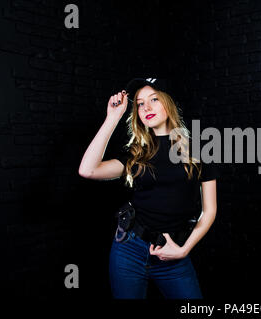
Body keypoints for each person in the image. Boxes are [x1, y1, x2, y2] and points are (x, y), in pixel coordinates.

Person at [78, 77, 219, 299]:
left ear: (168, 103)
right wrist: (112, 118)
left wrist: (184, 249)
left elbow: (209, 210)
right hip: (129, 250)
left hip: (174, 253)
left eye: (154, 99)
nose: (147, 107)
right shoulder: (135, 153)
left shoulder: (198, 150)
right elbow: (88, 170)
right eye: (141, 103)